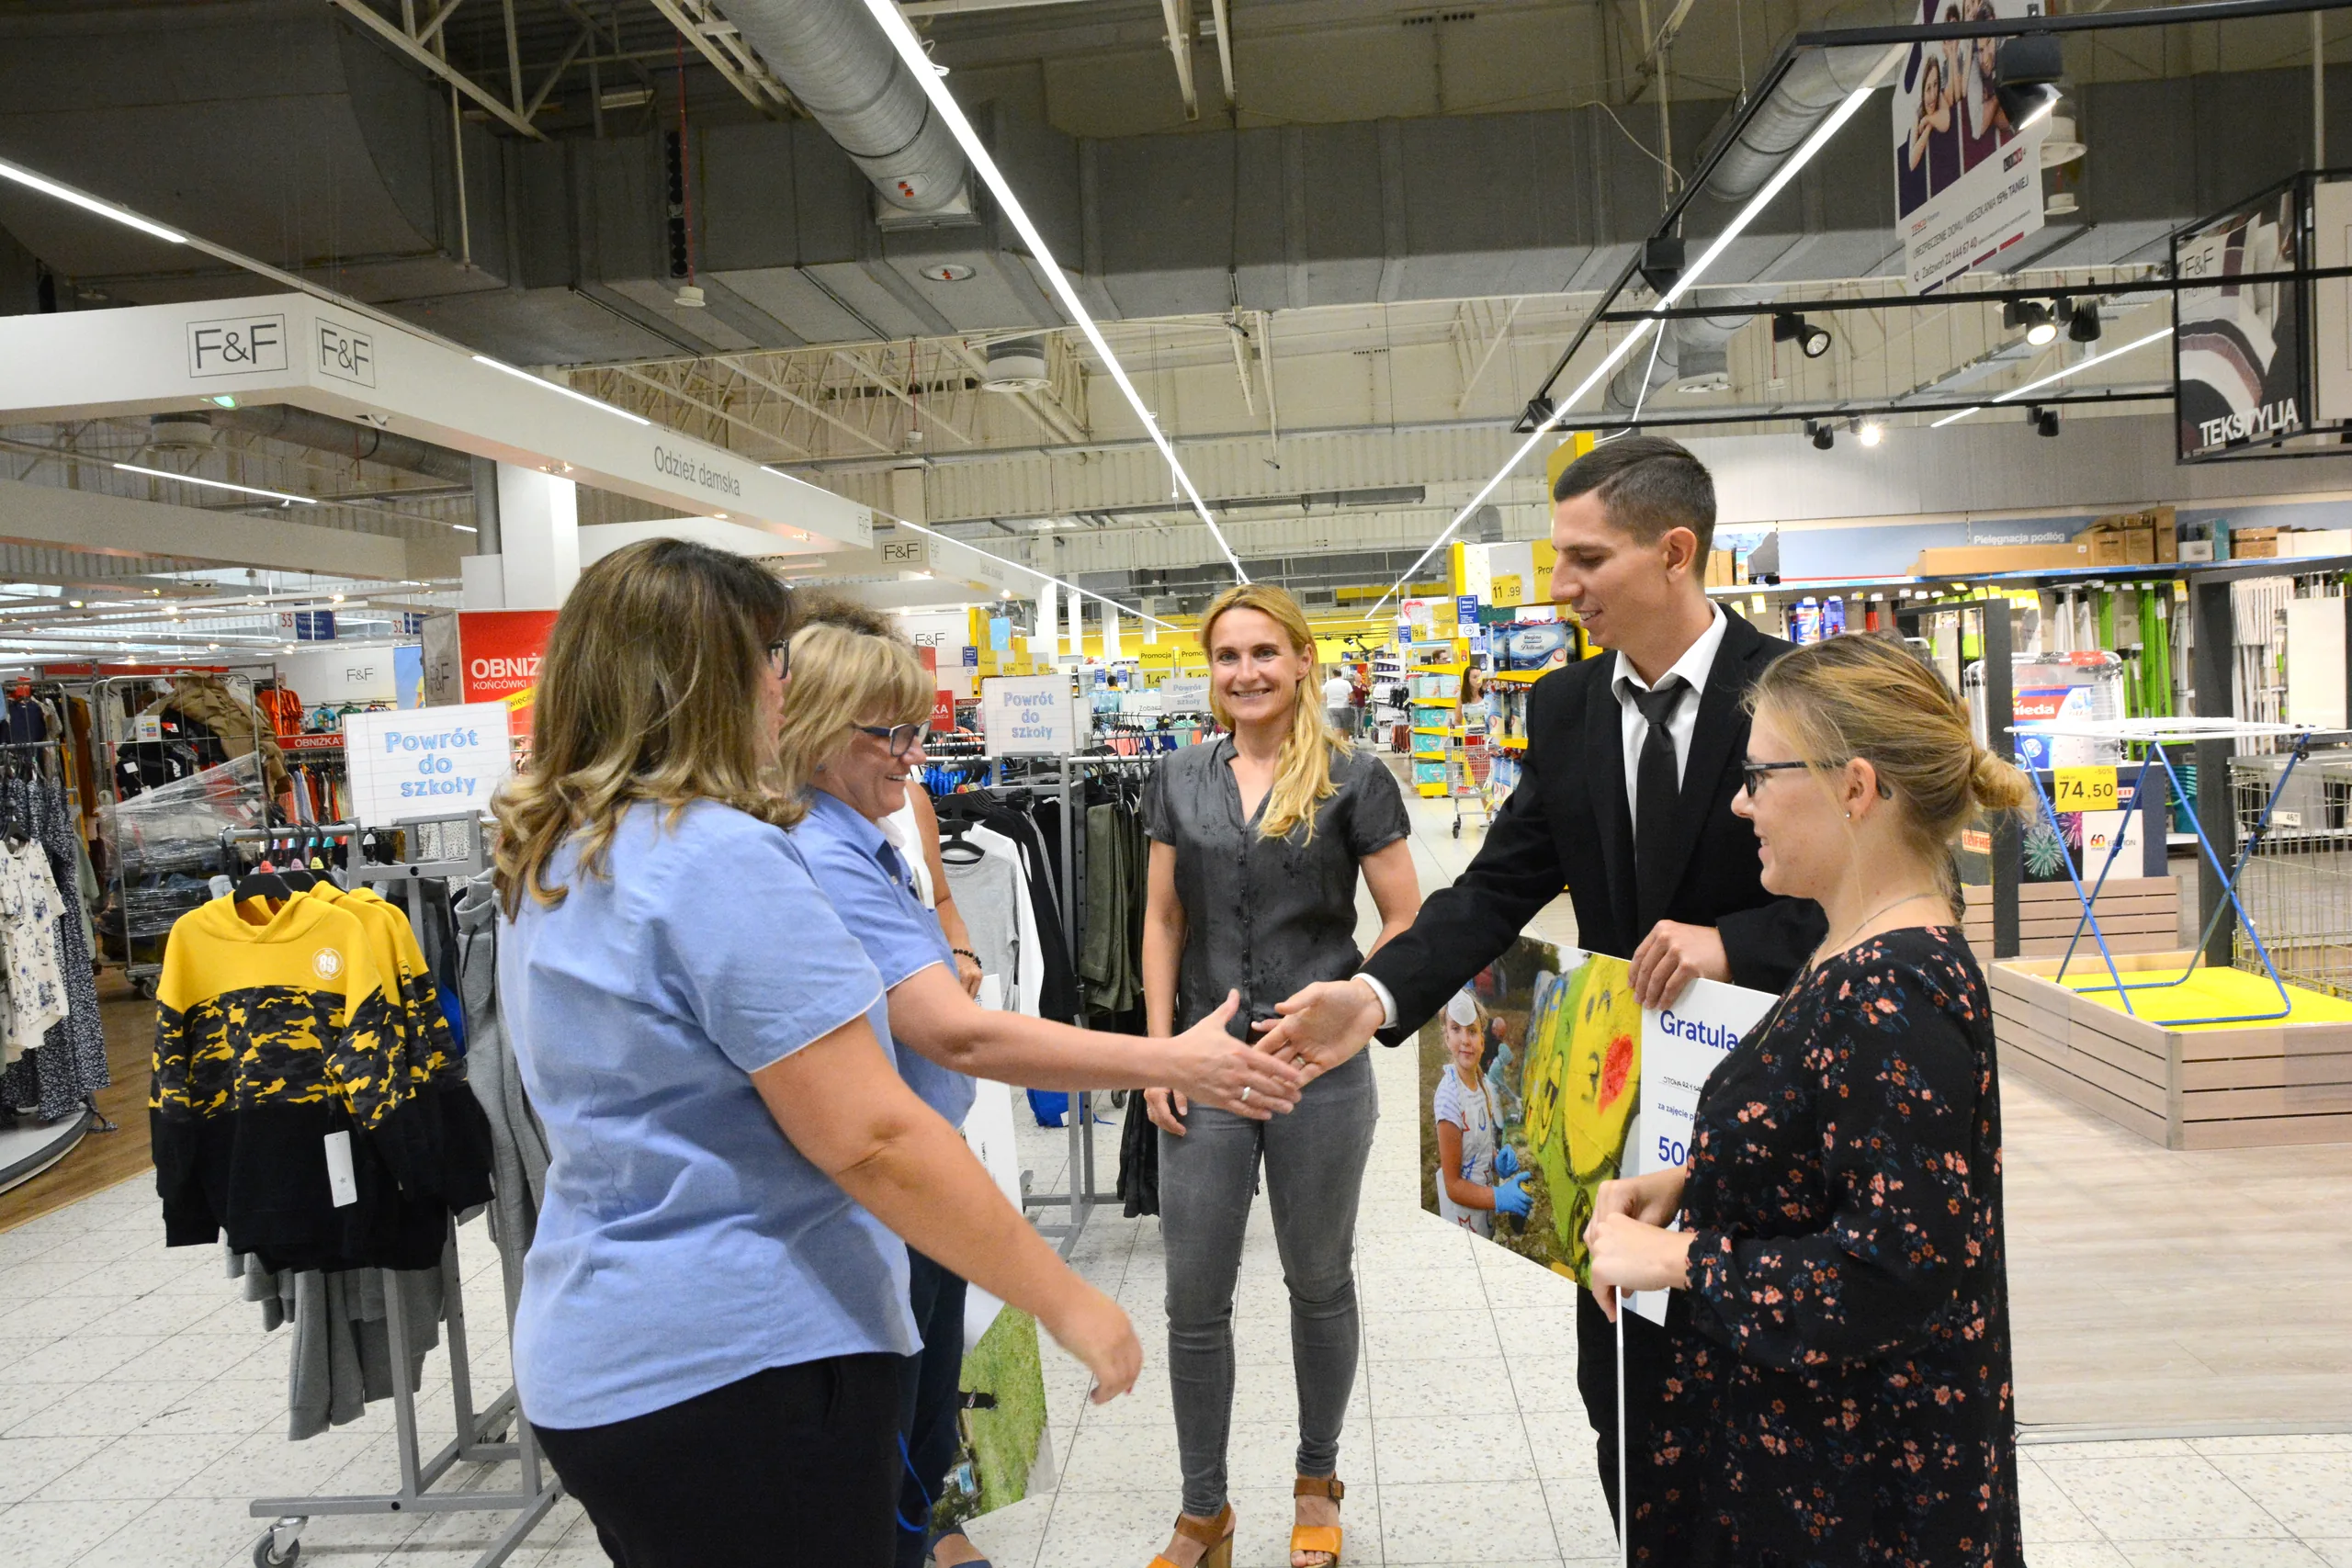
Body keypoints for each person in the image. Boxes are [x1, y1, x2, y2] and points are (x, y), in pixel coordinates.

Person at [491, 540, 1141, 1568]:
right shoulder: (716, 856)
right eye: (767, 658)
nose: (780, 684)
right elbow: (872, 1134)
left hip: (601, 1352)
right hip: (746, 1359)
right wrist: (1064, 1298)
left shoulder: (561, 850)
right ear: (708, 680)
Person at [1257, 435, 1826, 1545]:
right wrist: (1370, 998)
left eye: (1583, 558)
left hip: (1770, 1103)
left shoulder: (1794, 694)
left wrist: (1730, 940)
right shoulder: (1564, 708)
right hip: (1620, 1119)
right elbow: (1494, 889)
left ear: (1673, 552)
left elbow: (1868, 885)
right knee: (1623, 1396)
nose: (1560, 588)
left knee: (1765, 1396)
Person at [777, 597, 1307, 1568]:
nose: (911, 753)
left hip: (909, 1186)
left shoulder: (866, 832)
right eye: (888, 732)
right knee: (888, 1451)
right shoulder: (818, 854)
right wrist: (1169, 1057)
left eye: (919, 729)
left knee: (921, 1427)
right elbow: (961, 1037)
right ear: (809, 727)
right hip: (870, 1201)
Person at [1584, 632, 2027, 1567]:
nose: (1742, 803)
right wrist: (1697, 1180)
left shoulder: (1891, 989)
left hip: (1852, 1497)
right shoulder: (1853, 952)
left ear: (1854, 788)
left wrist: (1679, 1258)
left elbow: (1893, 1271)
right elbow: (1839, 1163)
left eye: (1759, 775)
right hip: (1815, 1464)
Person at [1141, 582, 1422, 1568]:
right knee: (1192, 1298)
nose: (1246, 672)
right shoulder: (1176, 776)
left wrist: (1352, 1015)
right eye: (1227, 656)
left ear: (1304, 660)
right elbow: (1165, 920)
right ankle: (1202, 1511)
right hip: (1205, 1063)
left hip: (1316, 1068)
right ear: (1209, 672)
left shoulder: (1353, 776)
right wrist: (1154, 1053)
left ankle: (1316, 1478)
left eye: (1265, 652)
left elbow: (1405, 918)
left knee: (1317, 1280)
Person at [1432, 990, 1526, 1239]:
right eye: (1456, 1029)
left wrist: (1496, 1160)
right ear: (1446, 1037)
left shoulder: (1481, 1081)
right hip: (1463, 1219)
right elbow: (1453, 1186)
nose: (1465, 1040)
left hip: (1484, 1210)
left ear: (1483, 1040)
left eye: (1472, 1031)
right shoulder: (1449, 1099)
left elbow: (1478, 1142)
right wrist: (1499, 1196)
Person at [1321, 664, 1354, 734]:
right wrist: (1352, 701)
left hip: (1331, 708)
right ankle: (1346, 743)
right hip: (1344, 707)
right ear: (1341, 674)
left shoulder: (1328, 683)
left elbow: (1324, 696)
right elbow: (1351, 695)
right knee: (1345, 728)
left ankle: (1337, 744)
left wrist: (1327, 703)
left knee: (1336, 728)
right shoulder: (1346, 683)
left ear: (1333, 675)